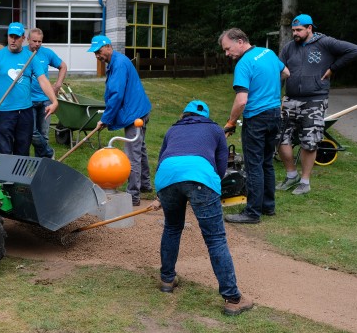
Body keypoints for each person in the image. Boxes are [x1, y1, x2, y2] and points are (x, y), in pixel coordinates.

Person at [150, 100, 253, 315]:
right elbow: (221, 166)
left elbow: (163, 161)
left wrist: (161, 196)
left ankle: (167, 280)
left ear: (183, 114)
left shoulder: (172, 130)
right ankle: (233, 298)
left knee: (172, 227)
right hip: (200, 179)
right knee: (215, 238)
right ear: (206, 116)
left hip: (166, 178)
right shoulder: (215, 129)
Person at [276, 14, 357, 195]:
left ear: (309, 28)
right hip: (290, 99)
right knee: (280, 138)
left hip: (315, 100)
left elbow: (356, 50)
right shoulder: (289, 48)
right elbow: (280, 72)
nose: (295, 33)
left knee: (309, 142)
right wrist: (277, 96)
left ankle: (305, 182)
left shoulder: (325, 43)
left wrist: (332, 68)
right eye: (293, 30)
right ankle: (291, 175)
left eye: (299, 30)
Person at [219, 28, 289, 224]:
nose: (227, 53)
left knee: (254, 165)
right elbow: (286, 72)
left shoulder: (244, 64)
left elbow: (241, 101)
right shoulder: (269, 53)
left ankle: (252, 213)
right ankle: (268, 207)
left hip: (256, 118)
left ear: (240, 41)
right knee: (266, 162)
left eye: (228, 48)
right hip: (275, 114)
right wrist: (270, 89)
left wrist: (231, 122)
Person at [88, 35, 152, 206]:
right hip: (139, 109)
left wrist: (105, 119)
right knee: (140, 148)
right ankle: (145, 185)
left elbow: (116, 95)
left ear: (108, 47)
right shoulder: (115, 62)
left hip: (135, 113)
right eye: (95, 53)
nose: (97, 56)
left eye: (99, 52)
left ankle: (133, 195)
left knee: (132, 153)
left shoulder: (119, 64)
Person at [0, 28, 68, 159]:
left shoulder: (46, 53)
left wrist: (58, 84)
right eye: (34, 41)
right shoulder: (22, 52)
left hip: (44, 100)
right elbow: (3, 50)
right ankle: (48, 152)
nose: (37, 44)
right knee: (31, 133)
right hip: (29, 101)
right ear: (27, 39)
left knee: (43, 134)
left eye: (40, 41)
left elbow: (62, 67)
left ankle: (41, 162)